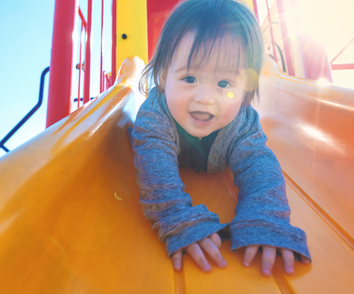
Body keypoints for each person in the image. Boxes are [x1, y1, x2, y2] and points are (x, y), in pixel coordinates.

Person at [130, 0, 311, 277]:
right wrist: (177, 219)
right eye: (189, 78)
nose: (205, 98)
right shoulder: (155, 117)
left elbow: (259, 168)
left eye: (224, 84)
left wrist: (266, 216)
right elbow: (155, 170)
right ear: (164, 76)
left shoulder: (242, 124)